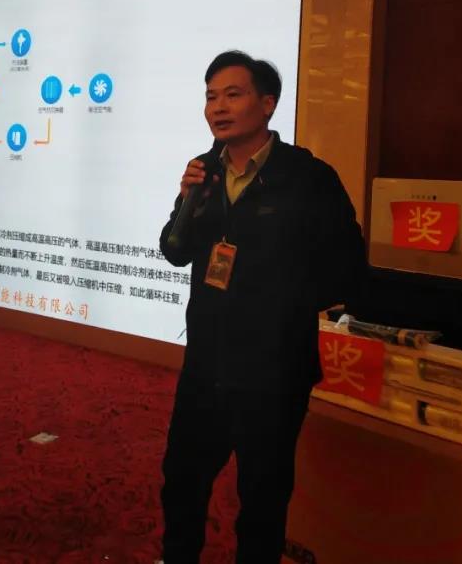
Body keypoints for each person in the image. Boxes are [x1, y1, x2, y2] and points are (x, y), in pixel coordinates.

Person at [158, 50, 366, 563]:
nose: (218, 107)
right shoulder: (204, 173)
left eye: (233, 94)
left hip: (273, 369)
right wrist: (188, 201)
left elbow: (346, 264)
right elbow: (175, 250)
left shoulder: (307, 176)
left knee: (263, 496)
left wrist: (281, 303)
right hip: (207, 362)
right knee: (181, 482)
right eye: (211, 96)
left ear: (267, 103)